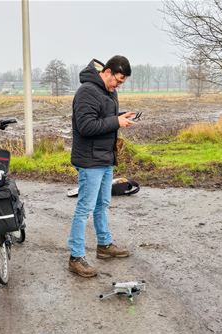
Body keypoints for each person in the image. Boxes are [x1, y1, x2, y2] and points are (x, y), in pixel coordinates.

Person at [67, 56, 136, 278]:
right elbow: (86, 126)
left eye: (121, 83)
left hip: (105, 157)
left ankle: (104, 245)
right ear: (107, 71)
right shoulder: (87, 91)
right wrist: (116, 122)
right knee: (84, 207)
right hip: (89, 160)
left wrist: (119, 116)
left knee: (103, 203)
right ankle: (75, 256)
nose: (118, 86)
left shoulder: (108, 92)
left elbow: (102, 118)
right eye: (118, 80)